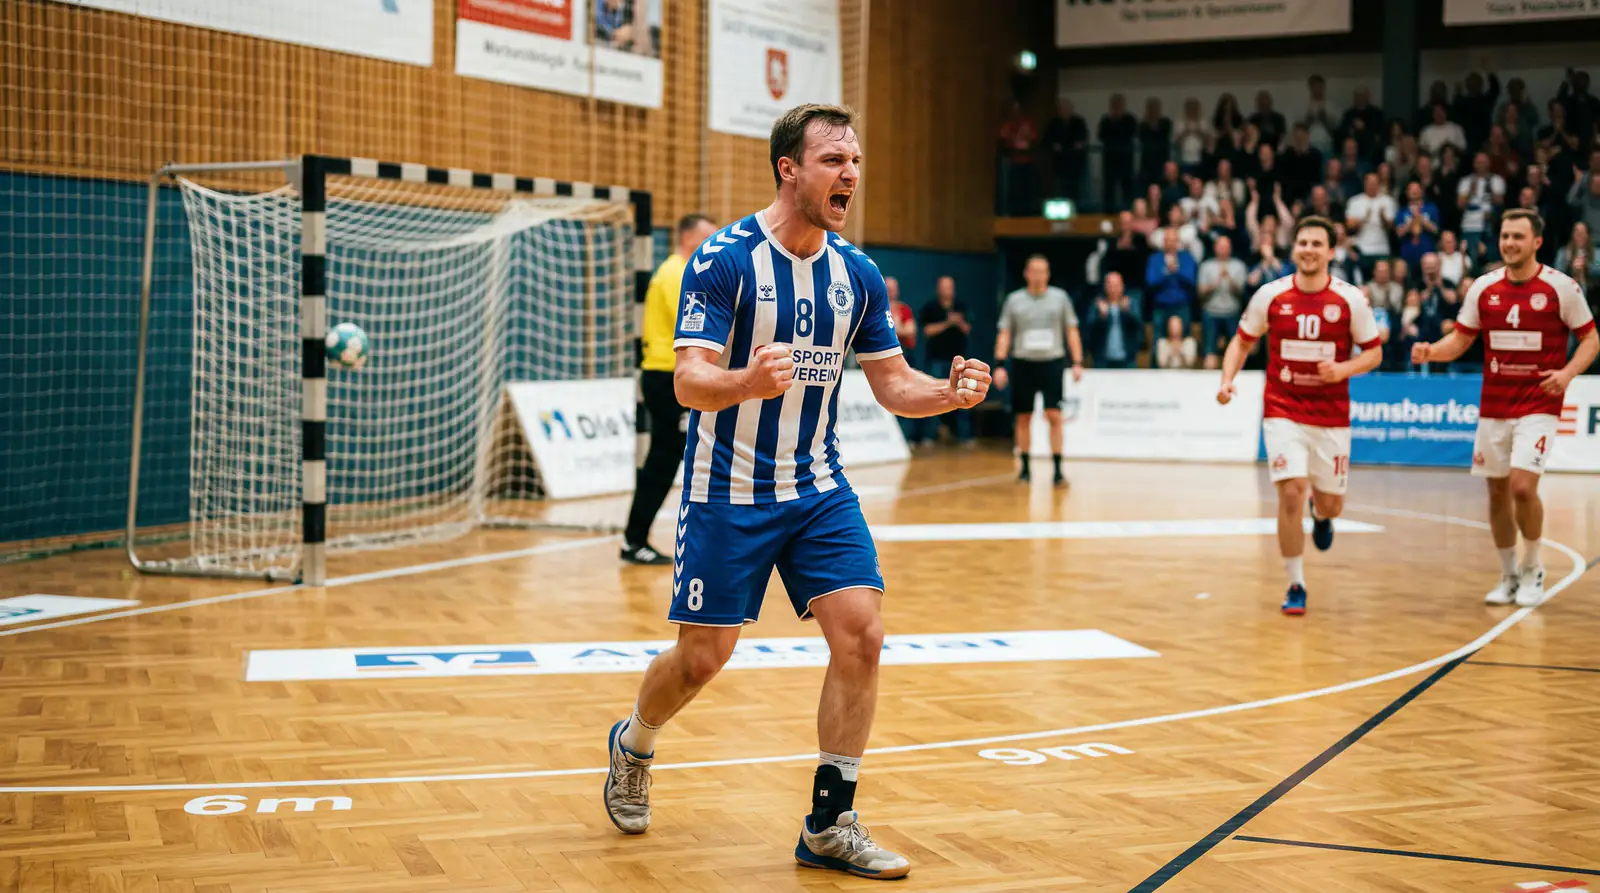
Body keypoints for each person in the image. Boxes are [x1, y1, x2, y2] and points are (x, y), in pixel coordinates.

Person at [602, 104, 991, 880]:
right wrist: (745, 378)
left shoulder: (859, 274)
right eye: (832, 160)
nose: (850, 172)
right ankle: (634, 741)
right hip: (727, 491)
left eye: (855, 159)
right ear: (789, 168)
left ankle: (829, 820)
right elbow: (688, 380)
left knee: (864, 633)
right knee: (702, 658)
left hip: (817, 486)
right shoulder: (725, 259)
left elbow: (894, 386)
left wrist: (946, 394)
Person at [1411, 210, 1597, 607]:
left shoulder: (1561, 288)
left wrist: (1566, 374)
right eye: (1505, 235)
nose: (1509, 242)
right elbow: (1460, 341)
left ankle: (1533, 569)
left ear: (1537, 243)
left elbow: (1591, 339)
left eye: (1518, 236)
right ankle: (1508, 574)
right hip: (1494, 406)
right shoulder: (1483, 287)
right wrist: (1431, 351)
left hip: (1539, 404)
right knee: (1496, 492)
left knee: (1521, 487)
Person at [1216, 216, 1384, 615]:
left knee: (1331, 504)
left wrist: (1342, 370)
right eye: (1302, 243)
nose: (1308, 249)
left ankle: (1321, 515)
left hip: (1330, 416)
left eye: (1316, 244)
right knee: (1289, 491)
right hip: (1283, 409)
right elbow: (1241, 343)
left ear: (1330, 252)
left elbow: (1374, 352)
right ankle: (1295, 583)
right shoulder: (1270, 295)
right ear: (1294, 249)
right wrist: (1227, 380)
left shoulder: (1350, 299)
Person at [622, 213, 718, 565]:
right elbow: (699, 326)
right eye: (708, 235)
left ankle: (638, 538)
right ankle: (635, 540)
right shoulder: (680, 272)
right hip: (668, 375)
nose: (713, 242)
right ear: (689, 237)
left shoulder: (678, 270)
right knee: (665, 459)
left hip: (667, 374)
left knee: (675, 456)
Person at [993, 254, 1083, 487]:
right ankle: (1024, 469)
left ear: (1048, 274)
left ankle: (1057, 470)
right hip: (1024, 363)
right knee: (1023, 417)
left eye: (1043, 271)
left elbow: (1071, 329)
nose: (1038, 275)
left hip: (1052, 362)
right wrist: (1000, 365)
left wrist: (1078, 361)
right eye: (1034, 270)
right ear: (1027, 273)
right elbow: (1005, 333)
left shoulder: (1060, 298)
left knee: (1054, 415)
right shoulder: (1014, 301)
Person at [916, 276, 975, 447]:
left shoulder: (961, 307)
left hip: (959, 361)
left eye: (949, 287)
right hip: (936, 359)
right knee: (935, 397)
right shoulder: (931, 308)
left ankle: (965, 436)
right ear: (938, 289)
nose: (946, 290)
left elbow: (967, 329)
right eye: (943, 287)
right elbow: (927, 330)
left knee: (964, 396)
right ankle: (929, 436)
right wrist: (948, 322)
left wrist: (959, 321)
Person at [1199, 235, 1248, 366]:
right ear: (1215, 248)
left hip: (1232, 312)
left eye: (1226, 247)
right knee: (1209, 350)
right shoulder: (1206, 266)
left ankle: (1235, 380)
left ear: (1230, 248)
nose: (1223, 249)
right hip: (1211, 312)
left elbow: (1242, 293)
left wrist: (1229, 279)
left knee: (1235, 350)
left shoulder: (1239, 266)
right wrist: (1215, 284)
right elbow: (1200, 293)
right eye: (1221, 246)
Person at [1144, 228, 1199, 331]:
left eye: (1173, 240)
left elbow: (1191, 281)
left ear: (1178, 242)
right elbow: (1150, 282)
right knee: (1158, 339)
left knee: (1183, 338)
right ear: (1164, 242)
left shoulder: (1187, 258)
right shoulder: (1154, 259)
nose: (1171, 243)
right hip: (1160, 307)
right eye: (1168, 240)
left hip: (1182, 306)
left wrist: (1177, 272)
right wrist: (1167, 273)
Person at [1087, 272, 1144, 369]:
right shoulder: (1097, 305)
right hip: (1102, 360)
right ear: (1105, 286)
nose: (1113, 288)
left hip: (1128, 360)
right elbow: (1090, 333)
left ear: (1122, 286)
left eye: (1116, 285)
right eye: (1110, 285)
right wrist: (1102, 317)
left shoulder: (1131, 303)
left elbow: (1139, 329)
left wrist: (1126, 312)